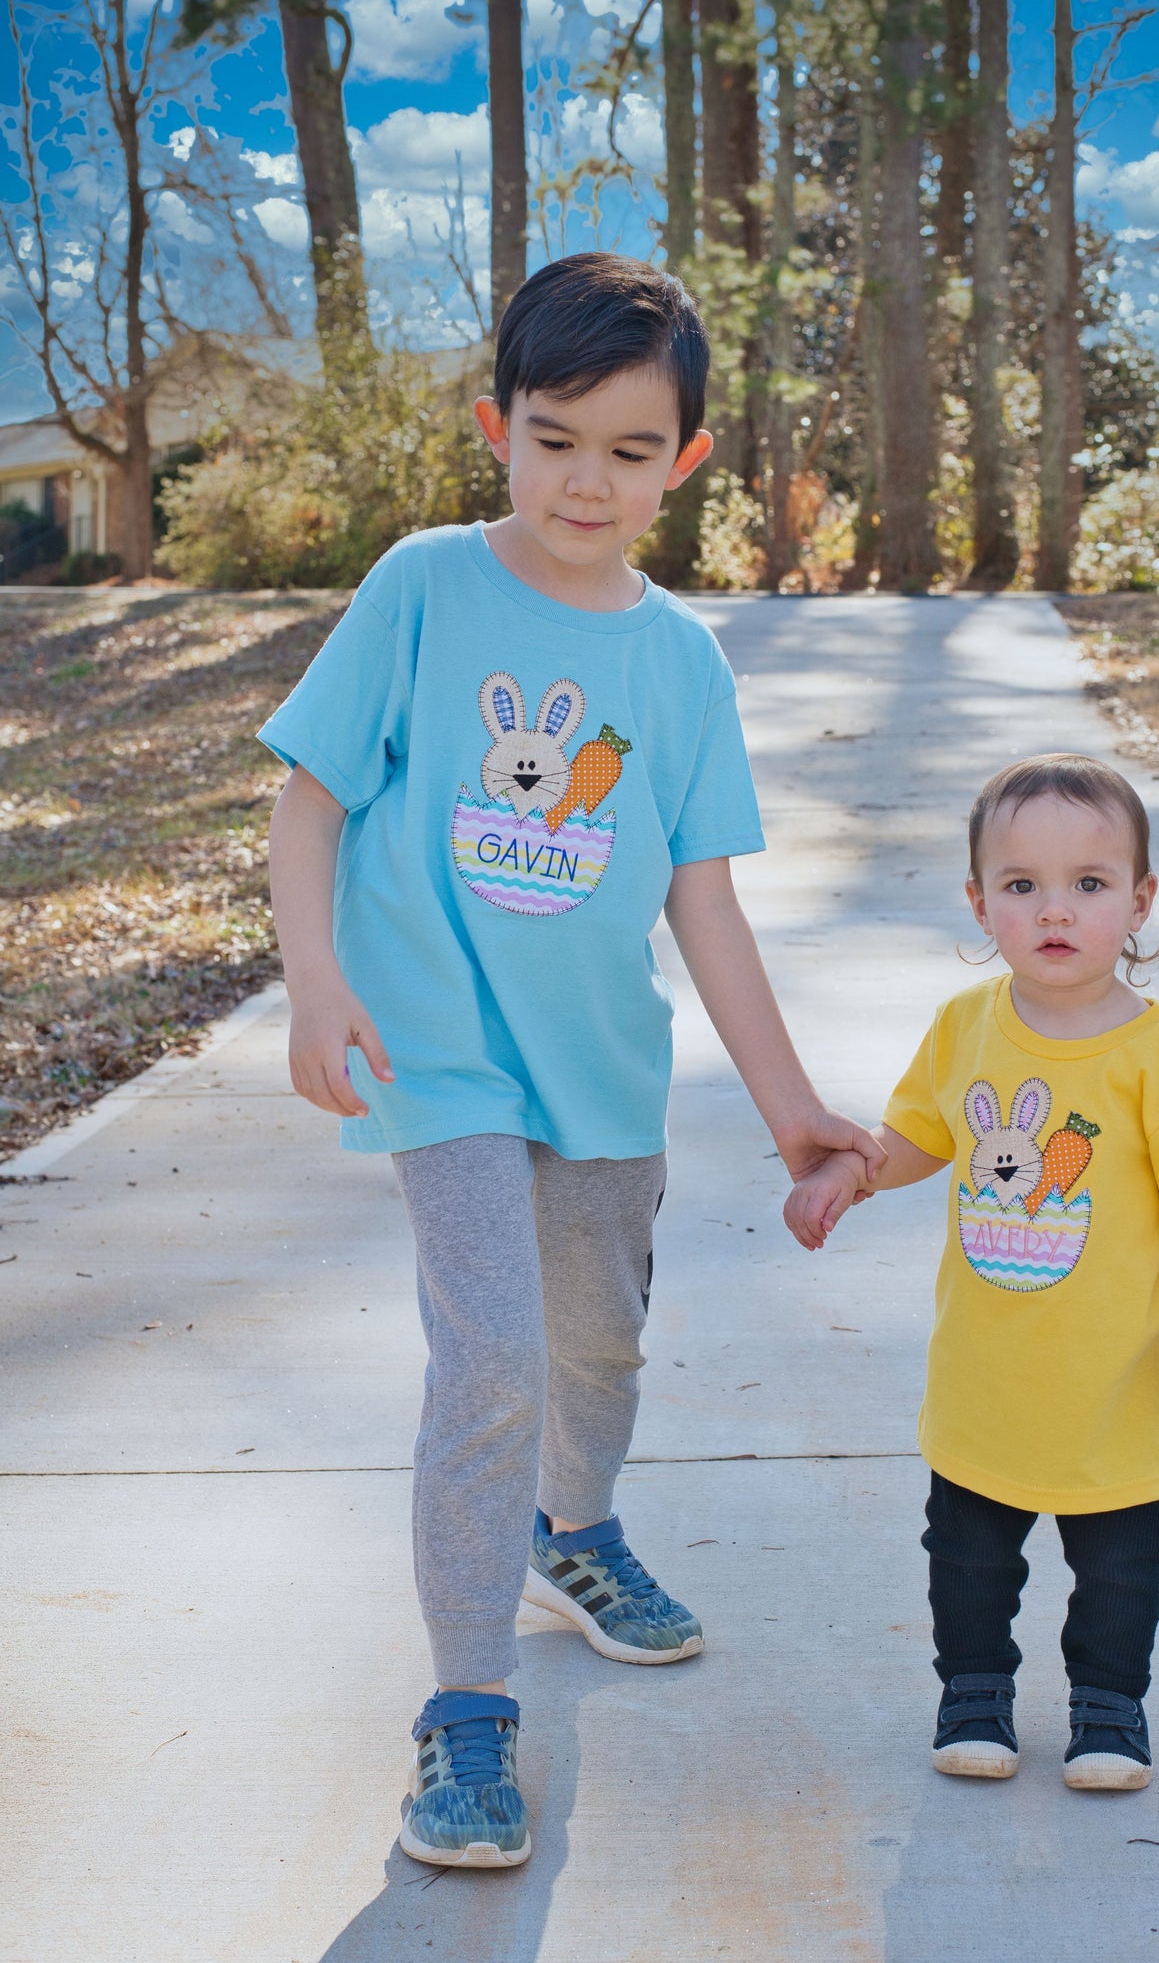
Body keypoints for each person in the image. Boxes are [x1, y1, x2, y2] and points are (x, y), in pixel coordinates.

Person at [260, 252, 879, 1869]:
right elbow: (310, 793)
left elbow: (705, 899)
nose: (584, 480)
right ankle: (466, 1714)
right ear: (497, 427)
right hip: (441, 1059)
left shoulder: (680, 664)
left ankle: (574, 1527)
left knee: (593, 1351)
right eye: (553, 438)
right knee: (491, 1363)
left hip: (601, 1074)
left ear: (683, 459)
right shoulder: (420, 587)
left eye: (626, 448)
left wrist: (792, 1103)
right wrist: (315, 981)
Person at [785, 753, 1159, 1792]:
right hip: (985, 1376)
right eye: (1020, 884)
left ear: (1138, 900)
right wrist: (854, 1172)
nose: (1055, 909)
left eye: (1088, 884)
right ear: (978, 901)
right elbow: (920, 1132)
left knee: (1120, 1564)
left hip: (1116, 1379)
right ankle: (972, 1692)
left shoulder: (1157, 1056)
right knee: (965, 1554)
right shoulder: (966, 1027)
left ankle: (1106, 1705)